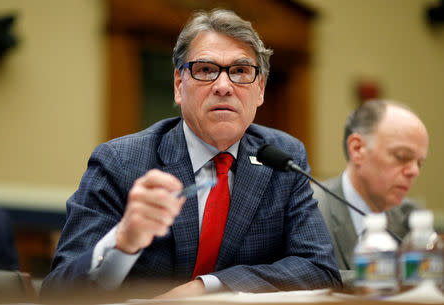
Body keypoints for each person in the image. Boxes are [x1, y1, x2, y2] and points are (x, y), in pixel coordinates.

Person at [41, 9, 341, 299]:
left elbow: (319, 269)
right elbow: (57, 293)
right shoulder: (120, 161)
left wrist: (207, 287)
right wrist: (123, 242)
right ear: (178, 85)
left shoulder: (284, 157)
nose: (224, 86)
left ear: (260, 89)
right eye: (206, 70)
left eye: (240, 71)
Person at [312, 100, 428, 283]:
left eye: (419, 163)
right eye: (402, 156)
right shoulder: (310, 207)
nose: (414, 171)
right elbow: (307, 278)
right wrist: (391, 276)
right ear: (357, 149)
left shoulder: (410, 216)